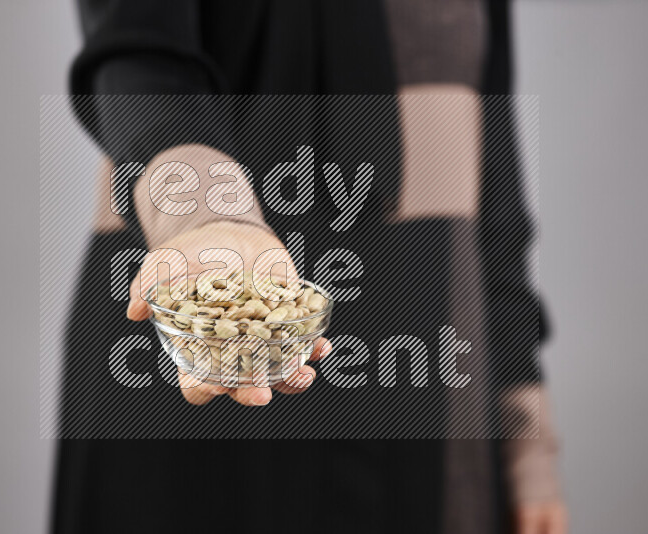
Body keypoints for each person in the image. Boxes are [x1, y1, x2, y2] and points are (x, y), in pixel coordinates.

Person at [52, 1, 566, 532]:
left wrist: (526, 439)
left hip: (424, 355)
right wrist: (206, 210)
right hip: (191, 337)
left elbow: (494, 180)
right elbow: (136, 54)